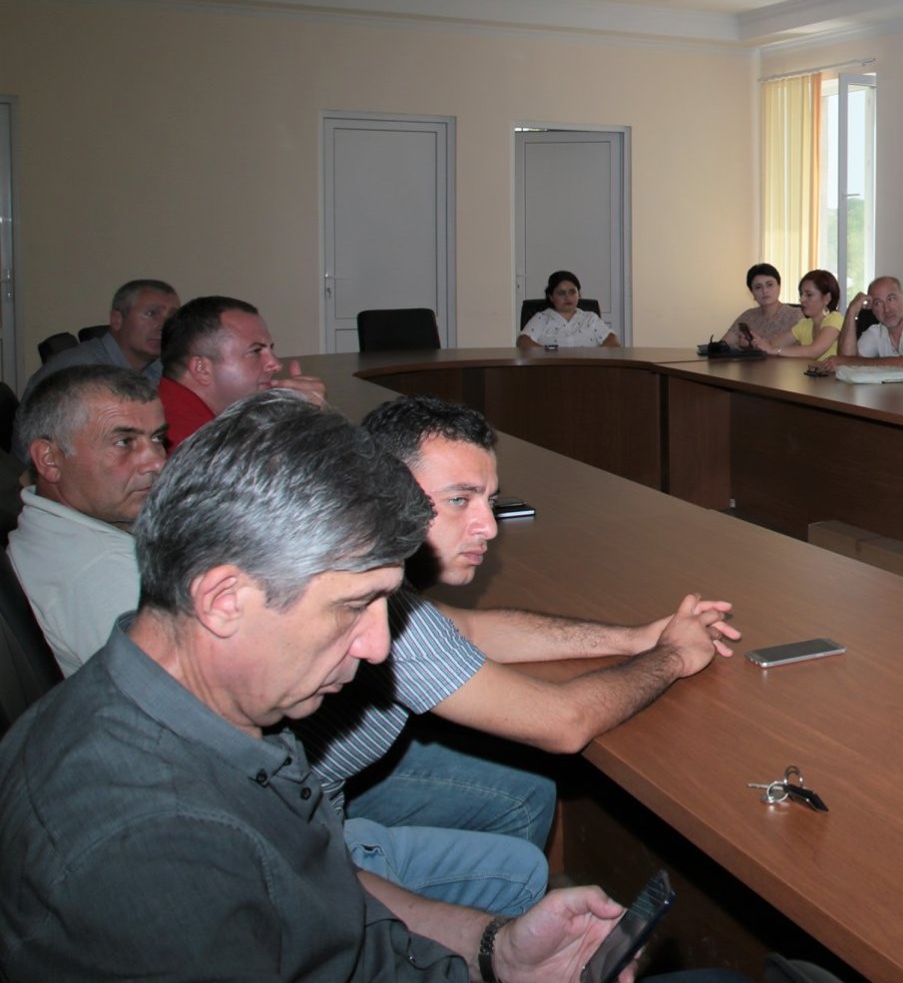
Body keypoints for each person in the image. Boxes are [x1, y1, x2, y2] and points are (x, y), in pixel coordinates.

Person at [0, 392, 748, 982]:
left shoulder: (222, 720)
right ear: (224, 599)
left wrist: (495, 950)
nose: (378, 647)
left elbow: (328, 891)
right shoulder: (156, 850)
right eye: (353, 608)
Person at [295, 395, 741, 912]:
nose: (488, 526)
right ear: (386, 491)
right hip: (301, 838)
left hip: (320, 791)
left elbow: (471, 629)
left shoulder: (363, 564)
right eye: (459, 500)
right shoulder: (375, 602)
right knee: (517, 871)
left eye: (489, 500)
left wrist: (634, 638)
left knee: (522, 788)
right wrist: (672, 658)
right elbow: (562, 723)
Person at [6, 365, 168, 676]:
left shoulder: (49, 528)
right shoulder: (102, 576)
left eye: (158, 438)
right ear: (50, 460)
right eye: (124, 442)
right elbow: (190, 699)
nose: (157, 462)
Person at [157, 294, 326, 449]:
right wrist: (302, 425)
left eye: (271, 349)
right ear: (202, 369)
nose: (276, 364)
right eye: (256, 351)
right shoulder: (187, 441)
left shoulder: (216, 423)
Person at [17, 278, 179, 410]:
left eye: (172, 317)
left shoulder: (157, 366)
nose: (164, 326)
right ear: (117, 320)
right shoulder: (82, 374)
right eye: (152, 314)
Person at [517, 270, 619, 349]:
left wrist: (595, 358)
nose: (567, 297)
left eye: (572, 292)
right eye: (561, 293)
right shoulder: (542, 318)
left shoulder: (590, 318)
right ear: (551, 297)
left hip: (587, 368)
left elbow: (612, 340)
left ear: (579, 294)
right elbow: (523, 341)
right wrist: (548, 355)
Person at [757, 268, 843, 359]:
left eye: (809, 295)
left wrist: (775, 351)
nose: (801, 299)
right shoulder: (805, 324)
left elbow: (814, 351)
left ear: (827, 298)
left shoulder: (835, 318)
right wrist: (757, 341)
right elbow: (772, 344)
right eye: (801, 294)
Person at [720, 262, 803, 351]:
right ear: (752, 292)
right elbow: (723, 344)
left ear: (779, 287)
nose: (765, 291)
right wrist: (739, 346)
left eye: (769, 285)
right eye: (758, 287)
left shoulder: (796, 315)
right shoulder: (748, 316)